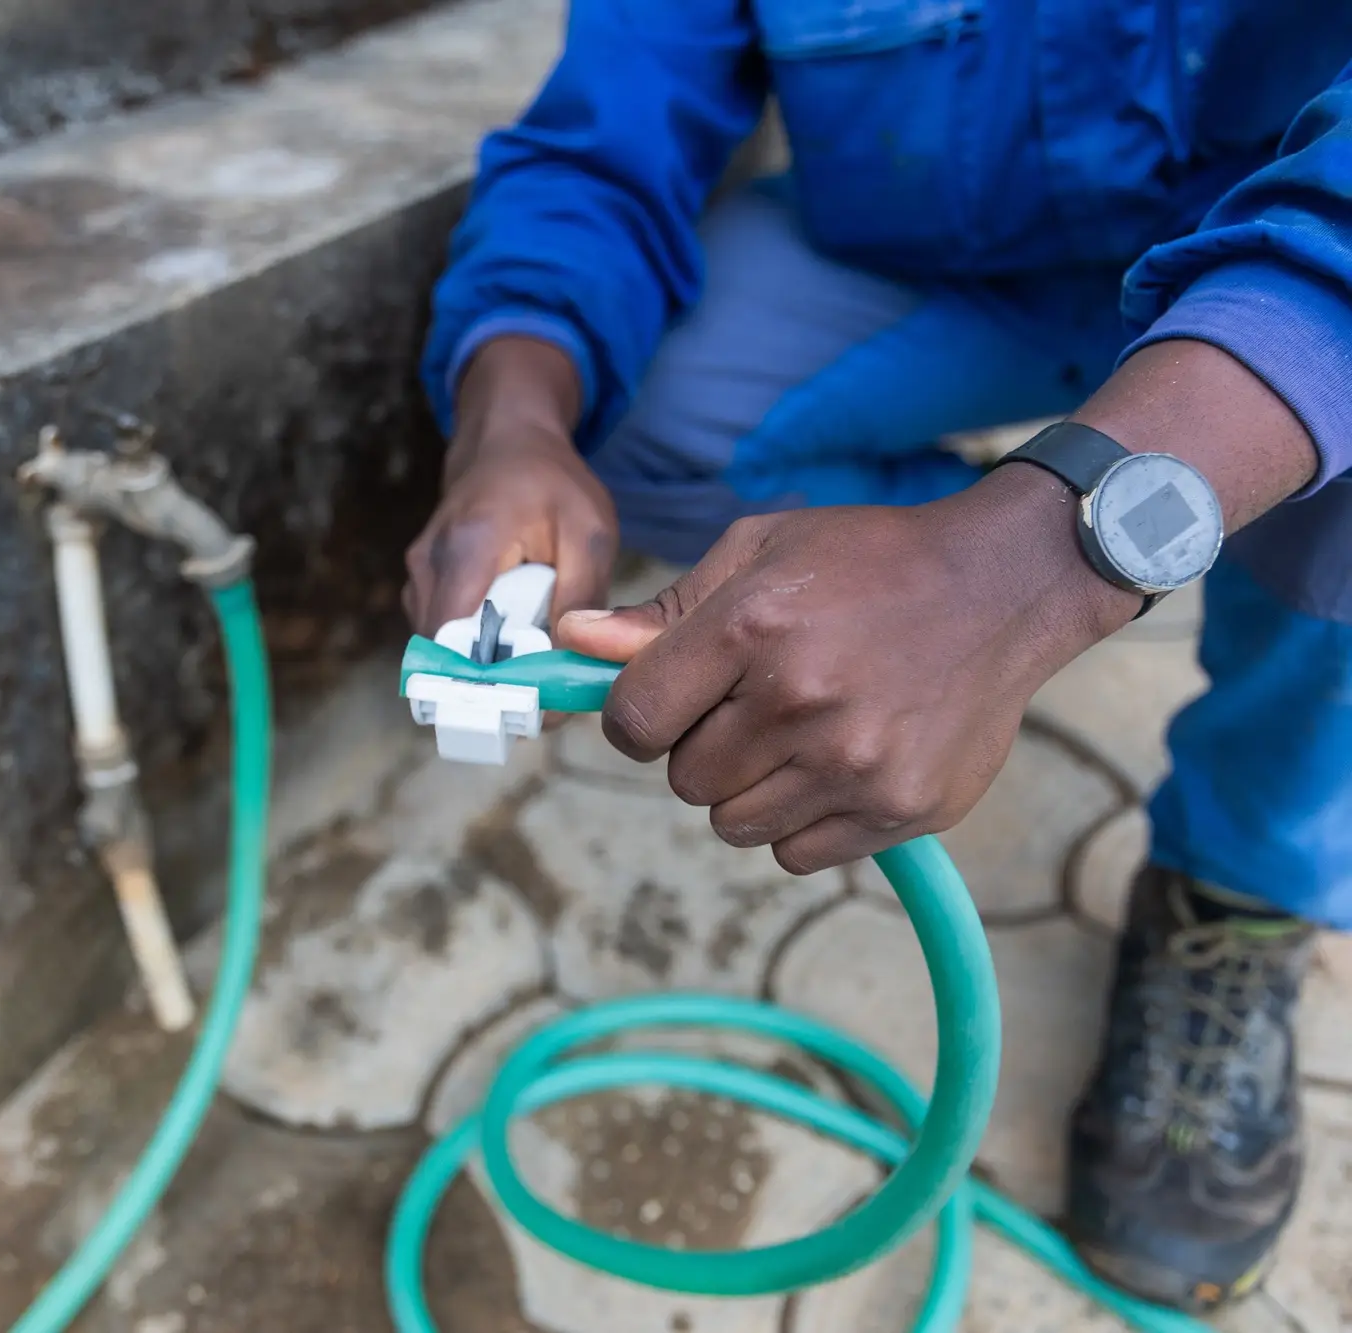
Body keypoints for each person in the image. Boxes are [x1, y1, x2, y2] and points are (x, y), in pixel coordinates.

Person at [405, 0, 1352, 1312]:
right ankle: (928, 609)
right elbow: (602, 138)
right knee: (644, 398)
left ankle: (1238, 881)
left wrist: (1039, 564)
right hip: (978, 271)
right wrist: (511, 420)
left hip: (1284, 268)